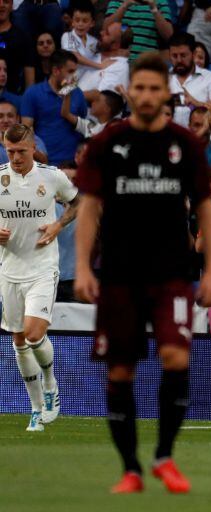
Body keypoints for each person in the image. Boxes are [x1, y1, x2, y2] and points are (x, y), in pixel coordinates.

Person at [74, 52, 211, 494]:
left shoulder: (185, 145)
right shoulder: (108, 143)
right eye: (138, 88)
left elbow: (206, 210)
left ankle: (164, 457)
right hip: (118, 275)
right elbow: (89, 208)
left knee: (176, 357)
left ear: (167, 94)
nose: (145, 95)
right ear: (129, 90)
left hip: (172, 272)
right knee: (120, 372)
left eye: (154, 89)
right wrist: (83, 266)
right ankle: (130, 469)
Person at [0, 124, 78, 432]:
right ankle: (35, 409)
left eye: (21, 151)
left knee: (33, 334)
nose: (16, 157)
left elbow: (77, 202)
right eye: (10, 151)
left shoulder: (51, 176)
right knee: (19, 340)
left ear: (33, 148)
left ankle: (50, 383)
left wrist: (58, 225)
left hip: (43, 267)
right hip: (9, 269)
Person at [21, 50, 88, 166]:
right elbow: (26, 131)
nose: (75, 76)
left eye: (75, 71)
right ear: (56, 70)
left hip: (74, 164)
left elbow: (83, 127)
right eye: (70, 71)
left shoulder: (78, 93)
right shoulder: (32, 93)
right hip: (45, 164)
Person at [168, 33, 211, 128]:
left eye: (183, 55)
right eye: (174, 56)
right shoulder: (163, 79)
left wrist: (197, 104)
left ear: (193, 55)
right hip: (168, 139)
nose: (179, 60)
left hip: (201, 140)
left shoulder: (210, 78)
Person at [78, 22, 132, 102]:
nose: (101, 33)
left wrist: (70, 96)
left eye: (107, 33)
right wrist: (63, 93)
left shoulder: (121, 67)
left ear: (115, 45)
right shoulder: (92, 56)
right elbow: (67, 84)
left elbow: (102, 99)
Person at [104, 0, 174, 60]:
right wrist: (124, 6)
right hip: (118, 62)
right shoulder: (117, 1)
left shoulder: (160, 2)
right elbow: (105, 29)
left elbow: (169, 36)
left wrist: (154, 9)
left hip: (146, 64)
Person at [0, 0, 35, 93]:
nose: (1, 5)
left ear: (12, 6)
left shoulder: (23, 38)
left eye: (6, 2)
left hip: (12, 98)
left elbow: (29, 75)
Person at [61, 3, 100, 80]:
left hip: (89, 80)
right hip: (69, 82)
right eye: (77, 20)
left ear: (92, 23)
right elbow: (75, 57)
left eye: (85, 21)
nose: (80, 24)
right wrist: (99, 65)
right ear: (72, 22)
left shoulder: (95, 41)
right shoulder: (67, 36)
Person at [0, 99, 47, 164]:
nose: (5, 120)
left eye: (10, 116)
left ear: (17, 119)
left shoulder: (32, 138)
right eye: (0, 116)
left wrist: (27, 144)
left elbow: (44, 162)